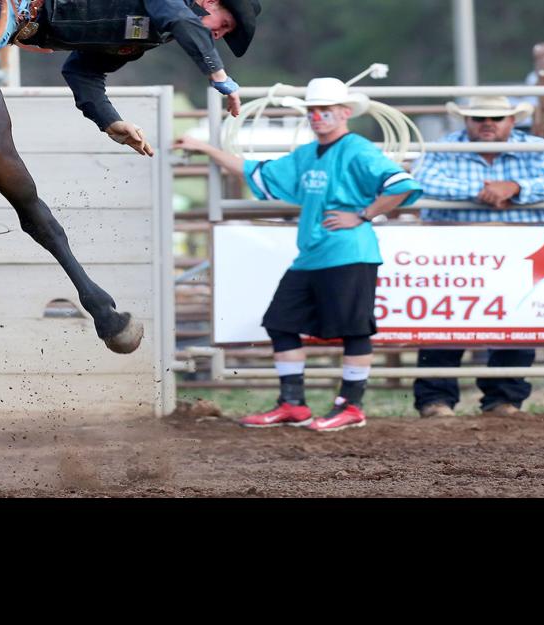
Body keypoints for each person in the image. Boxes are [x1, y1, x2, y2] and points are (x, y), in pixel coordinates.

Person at [174, 76, 421, 432]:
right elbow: (255, 171)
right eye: (313, 111)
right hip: (314, 253)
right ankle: (293, 403)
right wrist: (207, 149)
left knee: (353, 328)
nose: (318, 116)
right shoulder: (307, 154)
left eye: (325, 110)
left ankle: (351, 405)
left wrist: (364, 214)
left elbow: (401, 184)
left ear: (344, 112)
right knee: (281, 321)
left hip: (349, 251)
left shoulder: (359, 149)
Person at [409, 95, 544, 418]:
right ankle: (436, 399)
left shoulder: (535, 146)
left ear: (511, 121)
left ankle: (502, 399)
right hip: (454, 256)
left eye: (497, 117)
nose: (488, 123)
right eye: (479, 118)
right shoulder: (444, 146)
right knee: (445, 320)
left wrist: (513, 186)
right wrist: (488, 190)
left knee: (516, 324)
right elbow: (421, 181)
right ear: (467, 121)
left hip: (516, 253)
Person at [0, 0, 260, 157]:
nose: (219, 35)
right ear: (210, 2)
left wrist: (109, 121)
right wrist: (218, 74)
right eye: (225, 25)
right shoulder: (171, 10)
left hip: (12, 23)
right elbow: (180, 21)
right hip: (11, 10)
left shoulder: (149, 35)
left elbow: (82, 70)